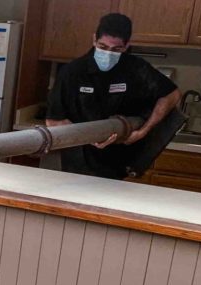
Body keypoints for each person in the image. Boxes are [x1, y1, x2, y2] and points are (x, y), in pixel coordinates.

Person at [45, 13, 181, 179]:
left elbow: (171, 95)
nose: (108, 53)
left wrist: (143, 131)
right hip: (79, 164)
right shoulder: (73, 72)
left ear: (127, 45)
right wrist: (91, 136)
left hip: (120, 164)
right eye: (102, 47)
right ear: (94, 39)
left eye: (116, 49)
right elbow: (54, 121)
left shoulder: (135, 69)